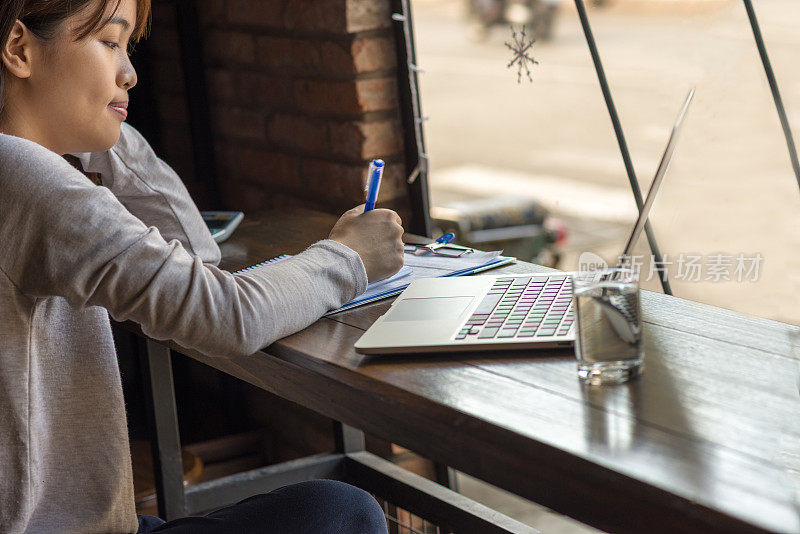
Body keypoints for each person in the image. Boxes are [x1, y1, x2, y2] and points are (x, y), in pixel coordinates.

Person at [0, 0, 402, 532]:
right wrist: (350, 256)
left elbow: (192, 250)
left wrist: (95, 134)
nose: (130, 73)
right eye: (109, 42)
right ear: (18, 48)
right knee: (344, 514)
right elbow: (227, 313)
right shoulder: (28, 179)